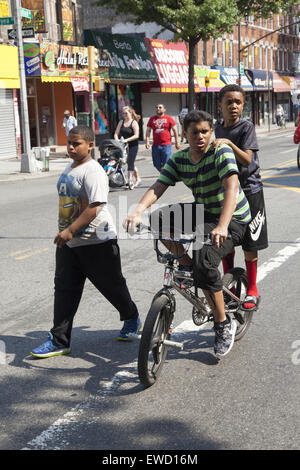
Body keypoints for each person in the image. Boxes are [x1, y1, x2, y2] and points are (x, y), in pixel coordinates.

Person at [124, 110, 251, 357]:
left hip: (232, 216)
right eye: (194, 132)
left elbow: (232, 187)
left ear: (211, 132)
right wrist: (137, 211)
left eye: (205, 131)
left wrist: (222, 225)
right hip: (205, 211)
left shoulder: (220, 152)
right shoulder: (180, 158)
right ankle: (186, 264)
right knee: (158, 218)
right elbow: (159, 186)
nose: (200, 137)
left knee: (205, 263)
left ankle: (223, 324)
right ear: (184, 134)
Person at [30, 125, 141, 358]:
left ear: (90, 145)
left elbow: (96, 206)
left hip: (97, 242)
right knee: (64, 290)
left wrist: (70, 230)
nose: (70, 147)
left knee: (112, 287)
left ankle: (131, 317)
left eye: (76, 143)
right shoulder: (70, 168)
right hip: (70, 244)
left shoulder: (93, 171)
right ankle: (60, 340)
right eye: (69, 143)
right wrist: (67, 234)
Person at [213, 84, 268, 311]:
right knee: (225, 240)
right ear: (220, 105)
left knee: (249, 241)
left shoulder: (246, 127)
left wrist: (228, 143)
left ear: (243, 105)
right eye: (229, 102)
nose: (234, 106)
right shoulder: (215, 128)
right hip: (227, 192)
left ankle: (253, 288)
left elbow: (247, 160)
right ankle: (232, 286)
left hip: (250, 190)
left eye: (238, 102)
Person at [146, 104, 180, 172]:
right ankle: (165, 176)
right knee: (156, 164)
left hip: (166, 145)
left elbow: (175, 130)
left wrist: (177, 142)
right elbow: (148, 130)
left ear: (164, 109)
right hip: (155, 145)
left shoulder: (169, 118)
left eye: (160, 107)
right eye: (157, 107)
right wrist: (147, 141)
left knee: (167, 164)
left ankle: (166, 178)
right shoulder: (152, 119)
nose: (158, 109)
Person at [114, 106, 142, 187]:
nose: (124, 115)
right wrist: (117, 140)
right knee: (129, 162)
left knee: (130, 162)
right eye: (123, 113)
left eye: (126, 113)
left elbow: (136, 135)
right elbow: (116, 133)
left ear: (130, 113)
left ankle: (129, 181)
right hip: (123, 145)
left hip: (133, 145)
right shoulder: (121, 122)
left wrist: (127, 140)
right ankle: (138, 178)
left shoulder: (134, 122)